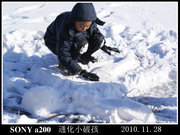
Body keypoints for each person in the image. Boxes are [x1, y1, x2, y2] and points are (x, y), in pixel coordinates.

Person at [44, 3, 119, 81]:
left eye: (87, 26)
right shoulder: (66, 28)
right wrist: (80, 71)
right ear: (74, 20)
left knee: (99, 39)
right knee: (82, 44)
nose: (84, 28)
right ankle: (65, 65)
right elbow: (63, 52)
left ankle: (83, 57)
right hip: (55, 42)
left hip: (74, 38)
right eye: (81, 26)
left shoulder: (88, 21)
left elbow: (96, 34)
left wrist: (102, 45)